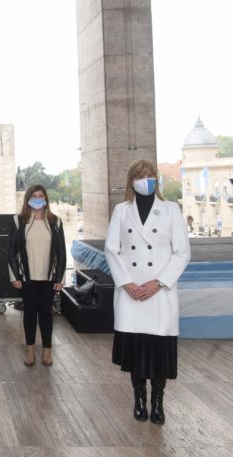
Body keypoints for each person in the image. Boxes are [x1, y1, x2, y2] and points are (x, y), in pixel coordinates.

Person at [104, 159, 190, 425]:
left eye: (151, 175)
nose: (147, 179)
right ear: (131, 180)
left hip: (160, 292)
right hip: (130, 292)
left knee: (158, 350)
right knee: (136, 350)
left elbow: (182, 253)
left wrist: (159, 282)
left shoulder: (171, 209)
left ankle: (158, 402)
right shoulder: (121, 211)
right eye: (141, 175)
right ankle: (139, 399)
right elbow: (111, 249)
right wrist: (126, 282)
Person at [7, 184, 66, 367]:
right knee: (30, 313)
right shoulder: (18, 221)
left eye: (41, 195)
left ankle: (47, 350)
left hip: (49, 279)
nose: (38, 198)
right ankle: (30, 350)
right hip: (27, 278)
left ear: (46, 199)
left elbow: (61, 252)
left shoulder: (56, 222)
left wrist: (60, 279)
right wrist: (14, 277)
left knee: (46, 314)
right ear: (28, 199)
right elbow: (11, 251)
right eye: (34, 195)